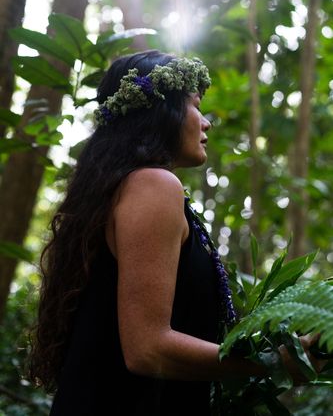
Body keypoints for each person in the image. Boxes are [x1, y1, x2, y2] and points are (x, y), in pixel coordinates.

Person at [28, 50, 323, 416]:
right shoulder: (153, 184)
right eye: (196, 105)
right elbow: (147, 348)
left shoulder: (123, 188)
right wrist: (273, 363)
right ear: (160, 111)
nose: (206, 123)